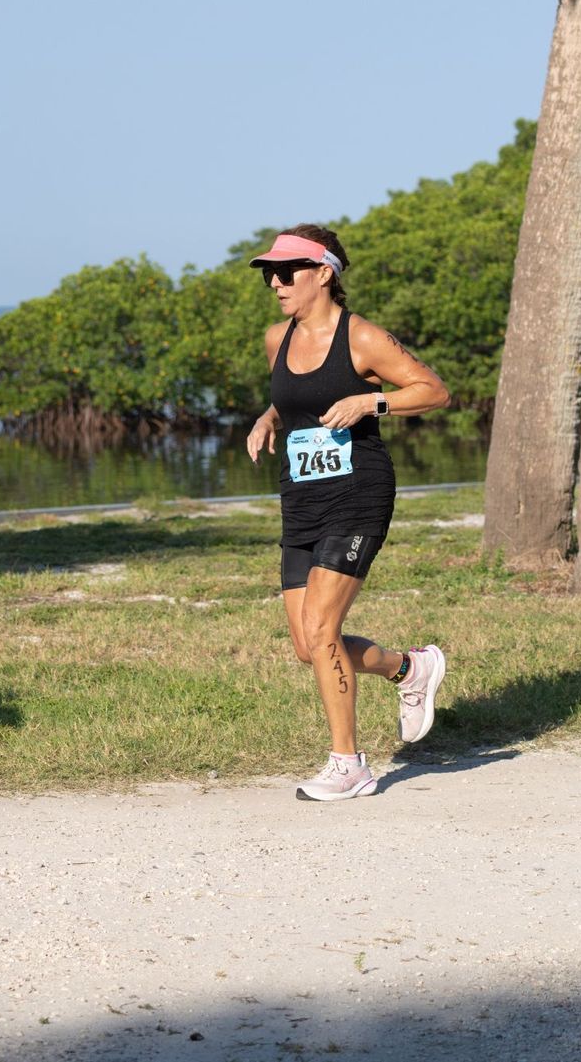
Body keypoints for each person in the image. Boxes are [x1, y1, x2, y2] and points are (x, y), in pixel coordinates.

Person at [245, 225, 451, 801]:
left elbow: (433, 391)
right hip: (301, 497)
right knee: (307, 646)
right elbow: (295, 398)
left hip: (358, 493)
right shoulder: (276, 339)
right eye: (269, 274)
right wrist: (268, 418)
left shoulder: (362, 338)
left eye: (286, 272)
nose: (276, 283)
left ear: (323, 273)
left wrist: (370, 400)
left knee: (322, 628)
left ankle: (349, 765)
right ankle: (410, 669)